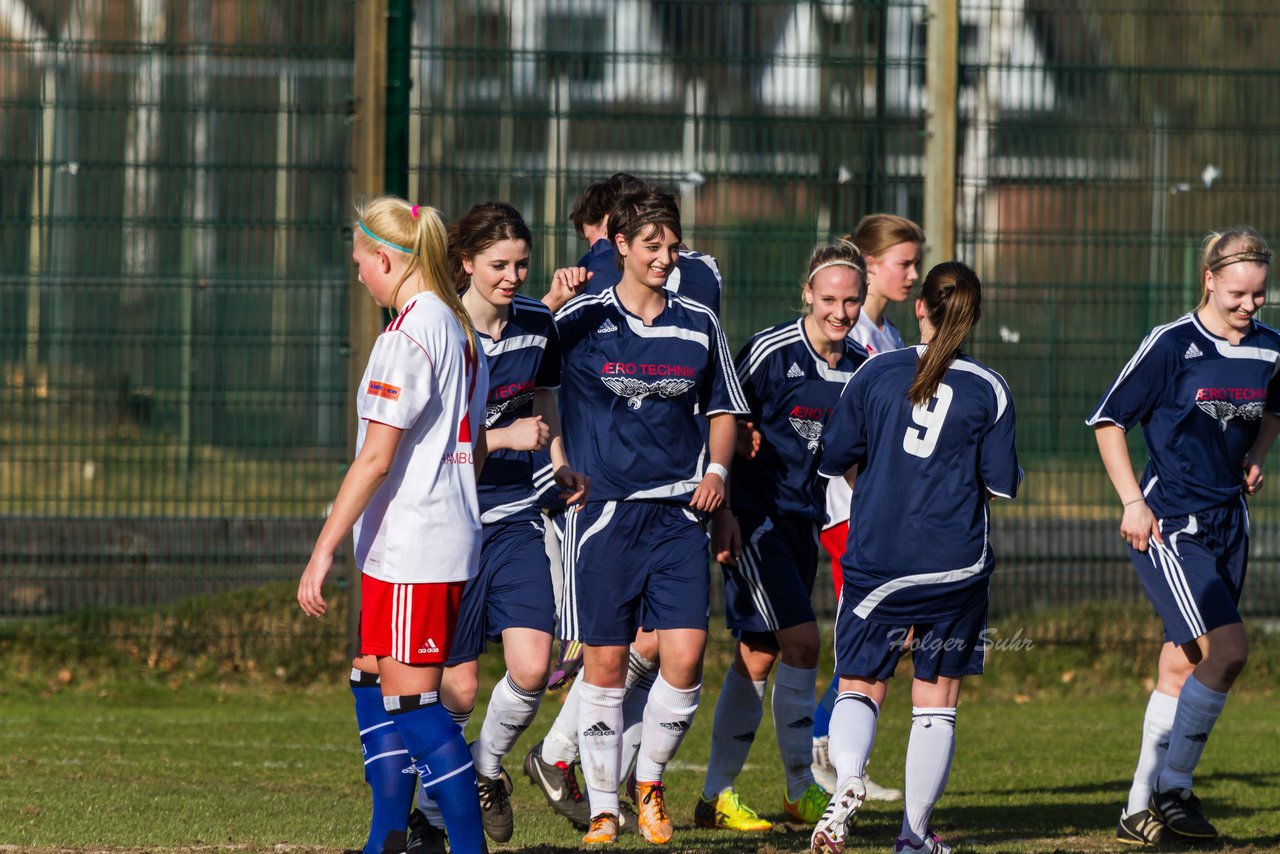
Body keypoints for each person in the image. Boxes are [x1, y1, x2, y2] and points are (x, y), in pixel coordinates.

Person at [524, 172, 727, 833]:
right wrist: (556, 463)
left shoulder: (698, 323)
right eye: (652, 246)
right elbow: (532, 383)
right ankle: (604, 811)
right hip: (603, 513)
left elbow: (722, 406)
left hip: (676, 514)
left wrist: (718, 469)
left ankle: (650, 784)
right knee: (606, 663)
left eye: (672, 246)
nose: (666, 258)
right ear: (617, 245)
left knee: (687, 655)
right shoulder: (579, 319)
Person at [297, 197, 489, 854]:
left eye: (360, 263)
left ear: (387, 258)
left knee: (413, 705)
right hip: (423, 541)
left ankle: (464, 846)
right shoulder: (460, 330)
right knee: (371, 675)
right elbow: (475, 445)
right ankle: (386, 840)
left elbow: (376, 456)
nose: (358, 276)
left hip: (416, 546)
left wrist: (322, 549)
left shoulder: (408, 335)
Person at [810, 261, 1020, 854]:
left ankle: (847, 779)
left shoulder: (874, 372)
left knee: (859, 681)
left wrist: (883, 490)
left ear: (919, 309)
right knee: (937, 699)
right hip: (956, 565)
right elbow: (1000, 483)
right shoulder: (989, 387)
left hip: (878, 559)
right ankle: (913, 836)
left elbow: (836, 459)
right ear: (972, 319)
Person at [1088, 227, 1280, 846]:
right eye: (1237, 294)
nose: (1249, 306)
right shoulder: (1172, 345)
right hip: (1174, 524)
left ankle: (1136, 810)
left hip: (1231, 522)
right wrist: (1132, 502)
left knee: (1182, 662)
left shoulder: (1271, 348)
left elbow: (1274, 409)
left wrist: (1257, 453)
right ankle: (1174, 789)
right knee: (1228, 652)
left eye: (1259, 295)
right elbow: (1109, 419)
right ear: (1209, 280)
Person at [408, 203, 589, 847]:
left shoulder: (539, 324)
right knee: (455, 687)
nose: (512, 277)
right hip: (450, 521)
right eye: (498, 266)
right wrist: (505, 433)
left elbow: (544, 398)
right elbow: (432, 441)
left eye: (520, 265)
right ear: (464, 264)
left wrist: (558, 462)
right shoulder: (437, 329)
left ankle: (486, 769)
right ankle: (430, 815)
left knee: (534, 666)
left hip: (514, 518)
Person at [696, 240, 869, 834]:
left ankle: (716, 795)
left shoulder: (862, 366)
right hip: (753, 519)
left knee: (760, 652)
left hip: (803, 524)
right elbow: (721, 415)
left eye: (851, 301)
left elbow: (857, 455)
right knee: (803, 642)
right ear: (807, 296)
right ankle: (799, 789)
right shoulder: (771, 352)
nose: (839, 313)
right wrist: (723, 510)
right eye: (828, 300)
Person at [813, 214, 924, 801]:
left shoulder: (891, 339)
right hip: (846, 508)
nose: (912, 274)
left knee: (890, 631)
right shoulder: (854, 339)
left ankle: (835, 749)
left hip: (882, 508)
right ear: (868, 264)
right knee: (871, 630)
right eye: (903, 262)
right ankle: (824, 751)